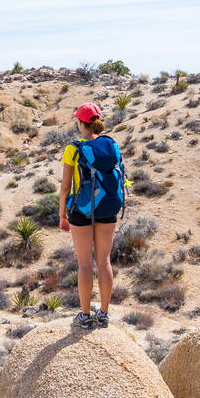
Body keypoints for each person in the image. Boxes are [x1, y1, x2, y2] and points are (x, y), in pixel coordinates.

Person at [58, 102, 127, 329]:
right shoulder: (111, 145)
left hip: (82, 209)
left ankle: (85, 316)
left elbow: (65, 187)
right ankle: (104, 313)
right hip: (108, 207)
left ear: (80, 123)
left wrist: (62, 215)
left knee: (85, 263)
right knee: (104, 260)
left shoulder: (73, 149)